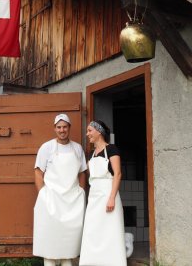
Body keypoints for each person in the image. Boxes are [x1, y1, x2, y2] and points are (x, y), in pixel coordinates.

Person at [33, 114, 87, 266]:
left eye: (64, 127)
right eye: (59, 127)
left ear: (69, 128)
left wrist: (81, 192)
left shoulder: (77, 148)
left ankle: (67, 262)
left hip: (72, 201)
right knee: (50, 238)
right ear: (54, 128)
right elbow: (38, 171)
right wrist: (43, 193)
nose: (62, 130)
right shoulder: (47, 147)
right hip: (51, 199)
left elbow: (82, 172)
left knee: (68, 242)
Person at [79, 120, 127, 266]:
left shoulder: (112, 149)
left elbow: (117, 174)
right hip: (94, 197)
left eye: (89, 131)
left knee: (110, 231)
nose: (87, 134)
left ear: (98, 132)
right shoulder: (91, 154)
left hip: (108, 194)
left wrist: (111, 198)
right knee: (93, 230)